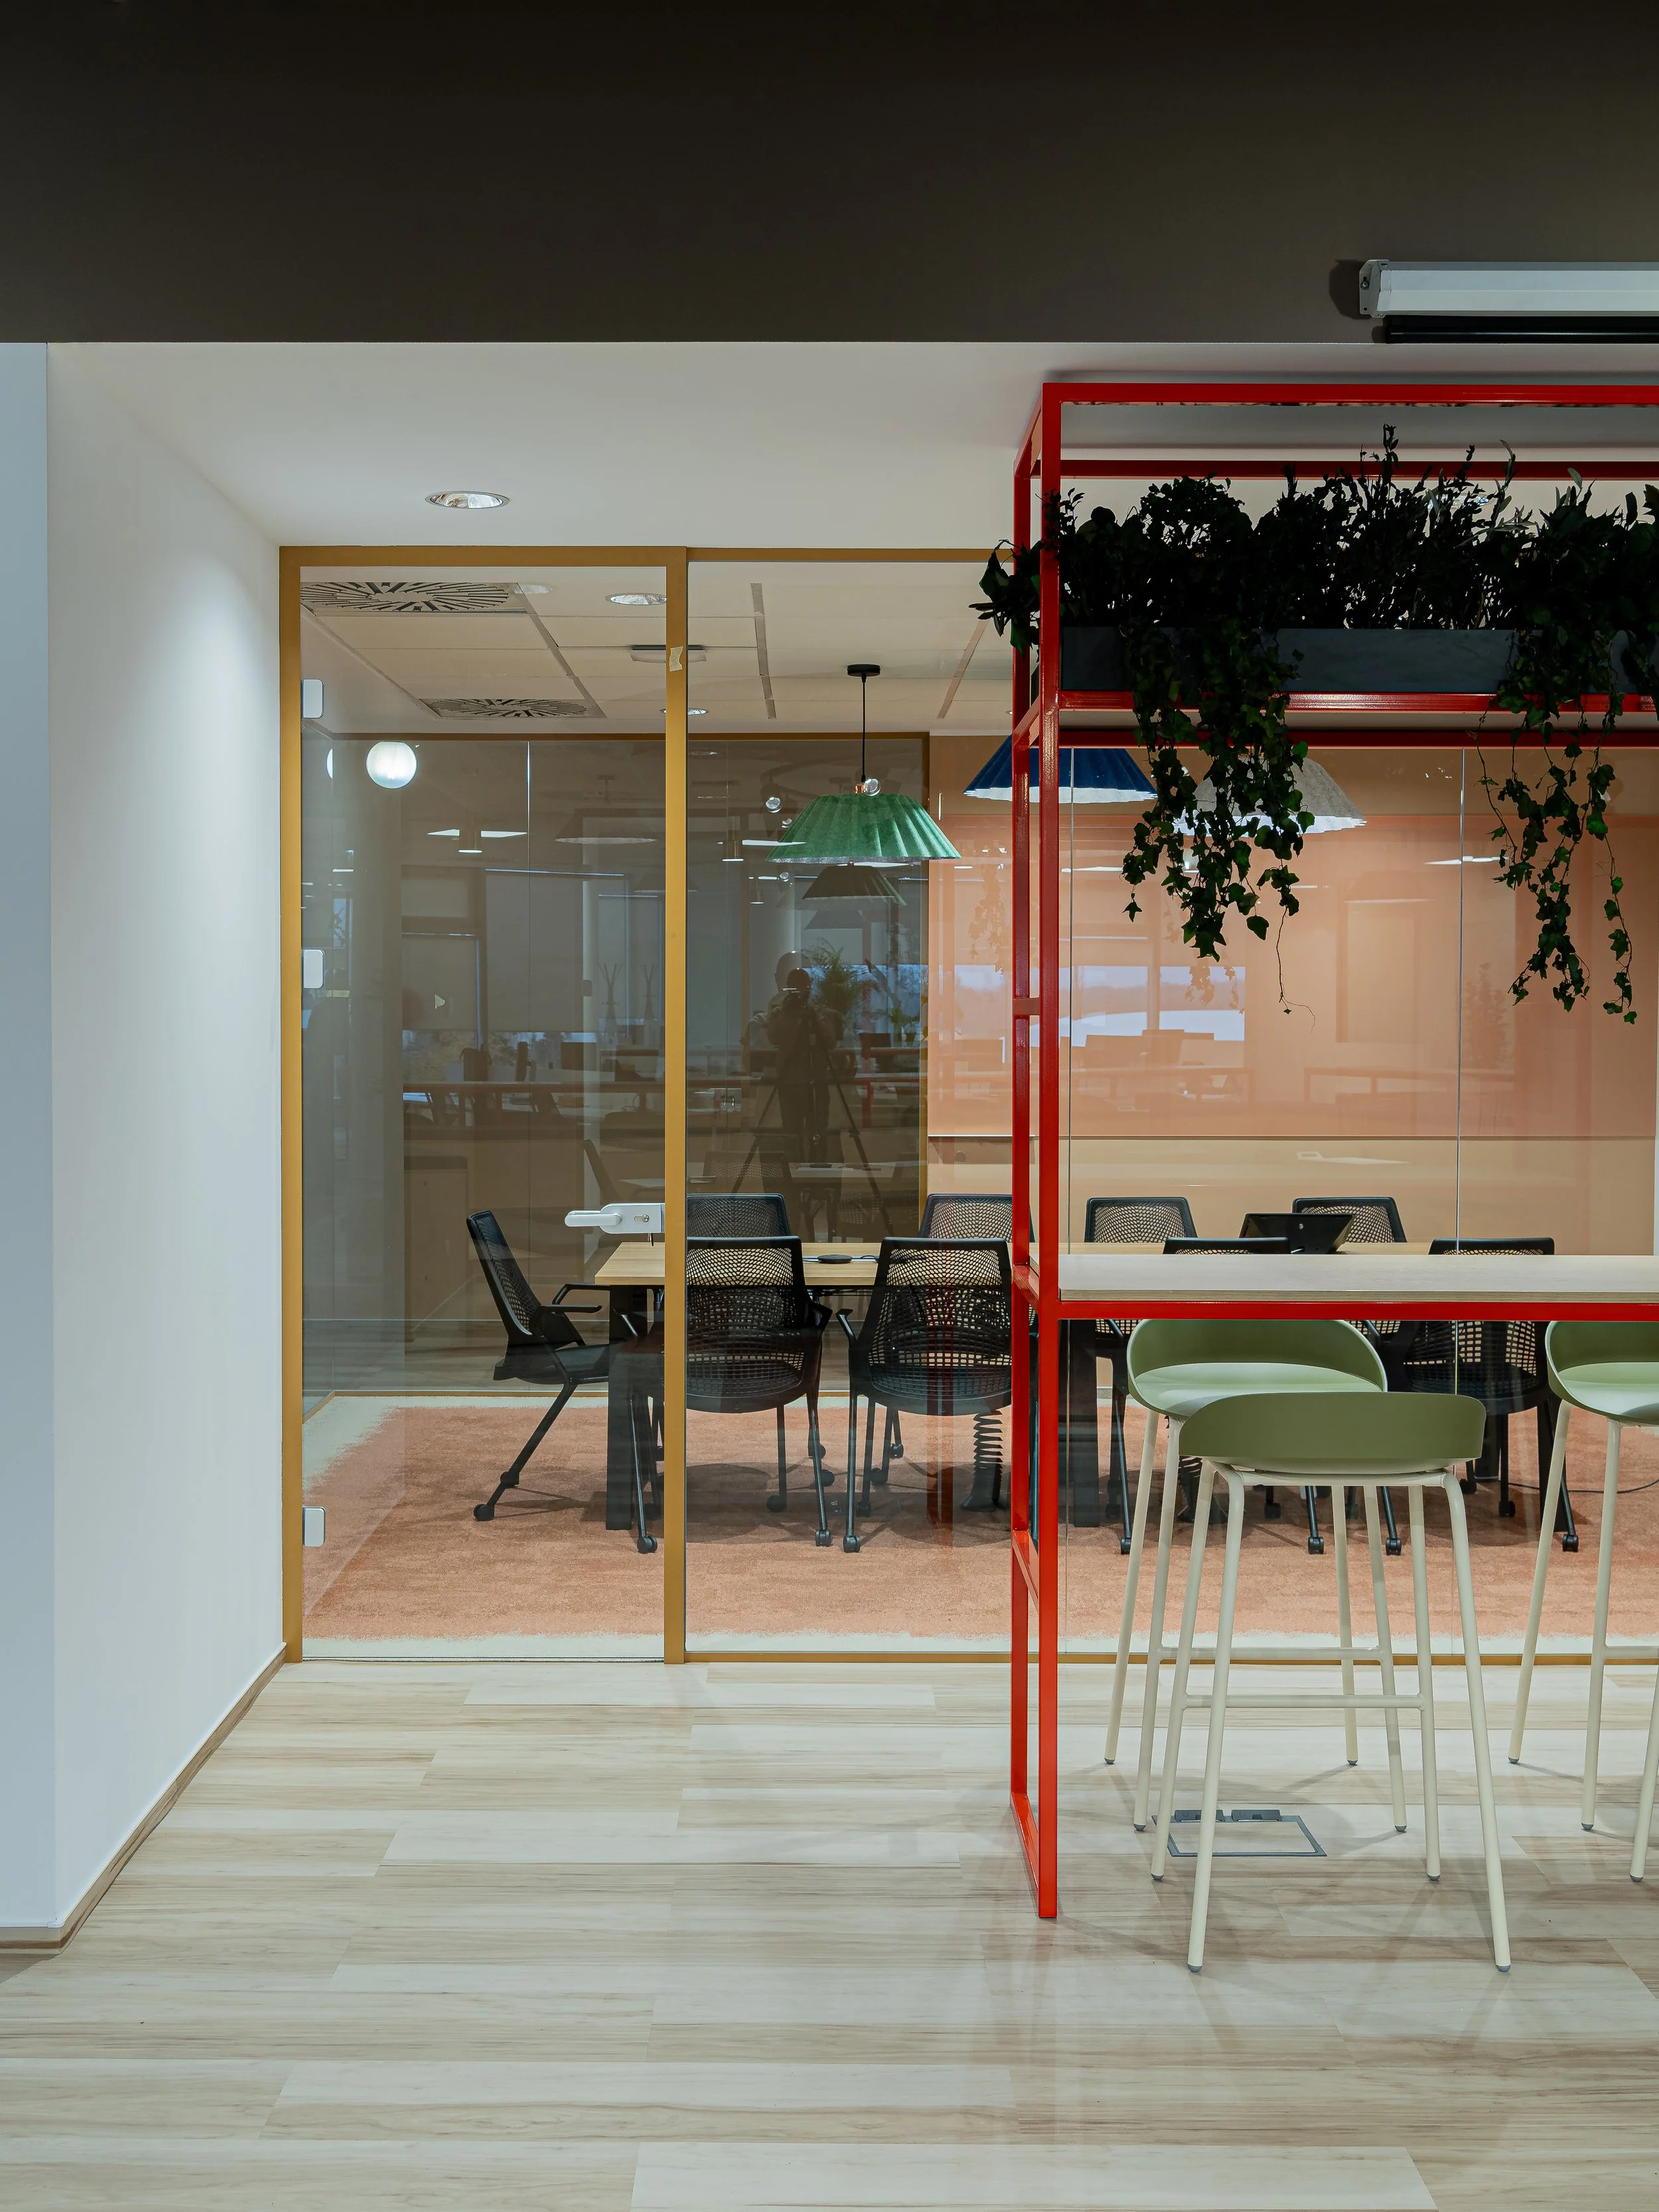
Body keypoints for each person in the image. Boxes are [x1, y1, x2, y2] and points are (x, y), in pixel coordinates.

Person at [764, 966, 841, 1165]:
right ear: (787, 988)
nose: (798, 989)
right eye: (794, 986)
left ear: (809, 987)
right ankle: (793, 1175)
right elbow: (773, 1037)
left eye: (802, 984)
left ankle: (819, 1178)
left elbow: (830, 1040)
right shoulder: (780, 1013)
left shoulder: (818, 1012)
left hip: (817, 1082)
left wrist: (813, 1015)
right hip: (790, 1083)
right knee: (791, 1134)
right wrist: (790, 1014)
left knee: (820, 1133)